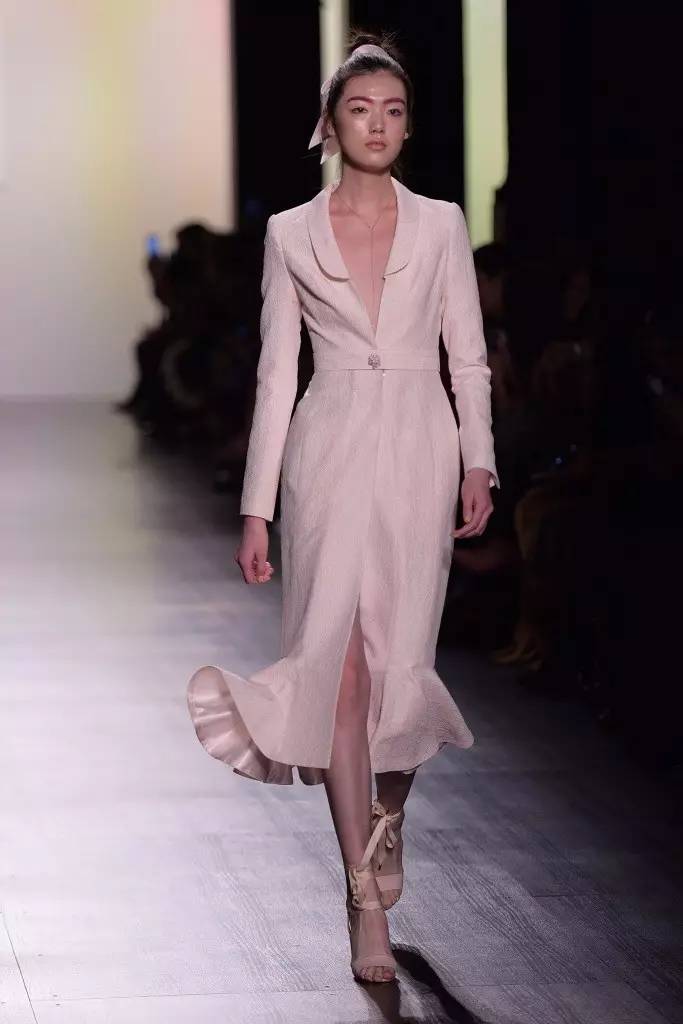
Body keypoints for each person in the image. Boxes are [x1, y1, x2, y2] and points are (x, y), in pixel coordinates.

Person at [186, 31, 499, 985]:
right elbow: (276, 372)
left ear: (406, 127)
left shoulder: (440, 224)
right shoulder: (291, 232)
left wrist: (478, 461)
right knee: (342, 669)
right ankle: (362, 898)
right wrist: (255, 506)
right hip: (324, 454)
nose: (377, 125)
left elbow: (467, 355)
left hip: (417, 445)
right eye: (360, 110)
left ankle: (386, 817)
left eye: (393, 111)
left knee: (401, 664)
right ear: (329, 124)